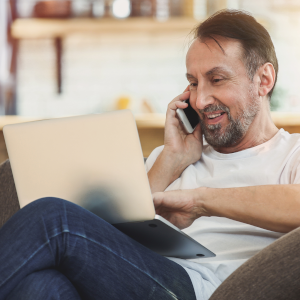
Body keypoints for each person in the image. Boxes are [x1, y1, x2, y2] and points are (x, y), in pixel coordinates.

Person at [1, 9, 300, 300]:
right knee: (41, 287)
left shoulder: (292, 152)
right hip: (141, 279)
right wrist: (171, 160)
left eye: (217, 79)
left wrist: (201, 201)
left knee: (55, 217)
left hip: (202, 290)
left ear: (263, 80)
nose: (200, 99)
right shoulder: (172, 157)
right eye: (194, 83)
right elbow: (106, 242)